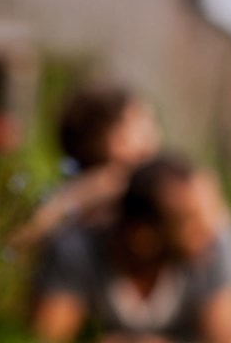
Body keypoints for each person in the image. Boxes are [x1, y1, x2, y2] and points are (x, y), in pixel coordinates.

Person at [30, 154, 231, 343]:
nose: (208, 231)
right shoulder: (77, 249)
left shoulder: (215, 244)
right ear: (143, 237)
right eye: (189, 221)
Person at [9, 84, 161, 252]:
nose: (155, 132)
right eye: (143, 121)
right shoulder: (118, 185)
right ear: (118, 141)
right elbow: (23, 236)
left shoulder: (74, 195)